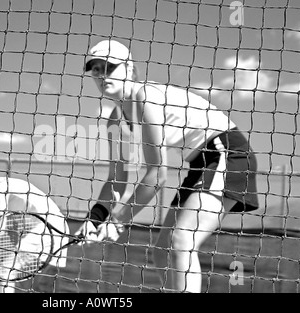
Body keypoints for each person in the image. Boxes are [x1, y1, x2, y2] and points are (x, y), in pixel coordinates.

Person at [76, 39, 259, 293]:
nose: (100, 74)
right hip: (200, 163)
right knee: (162, 253)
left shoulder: (145, 96)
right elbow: (118, 178)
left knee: (182, 240)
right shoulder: (116, 118)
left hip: (227, 152)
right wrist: (96, 218)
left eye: (109, 66)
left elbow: (157, 172)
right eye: (95, 68)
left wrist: (118, 221)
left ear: (129, 69)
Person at [0, 155, 69, 292]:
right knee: (29, 285)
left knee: (4, 272)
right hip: (59, 230)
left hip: (46, 230)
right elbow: (0, 228)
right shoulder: (7, 185)